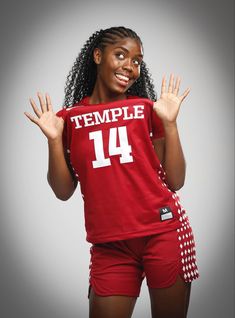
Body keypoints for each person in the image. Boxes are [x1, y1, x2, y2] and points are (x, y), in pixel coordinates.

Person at [24, 26, 199, 318]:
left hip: (163, 232)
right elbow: (63, 191)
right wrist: (54, 141)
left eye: (137, 61)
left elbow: (175, 181)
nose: (130, 67)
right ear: (97, 55)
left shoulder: (147, 110)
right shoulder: (69, 120)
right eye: (121, 55)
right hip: (110, 246)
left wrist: (170, 124)